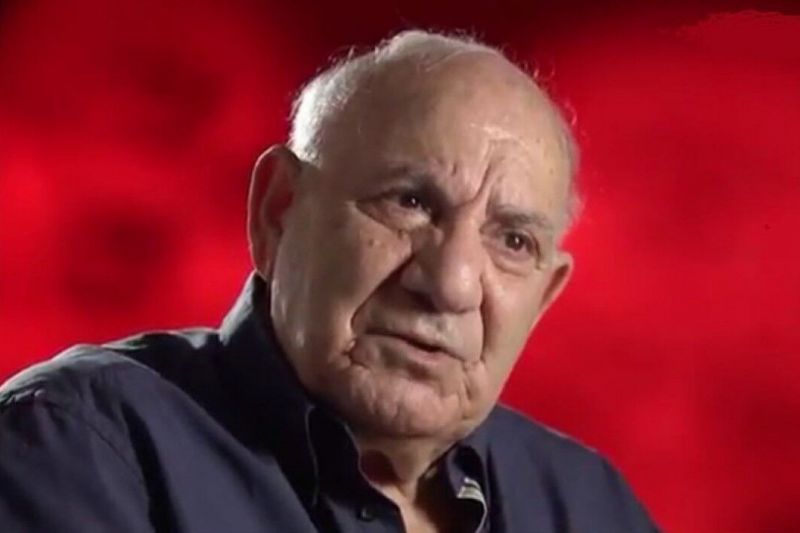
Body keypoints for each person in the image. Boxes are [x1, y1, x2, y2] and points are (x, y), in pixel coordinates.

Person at [0, 30, 659, 532]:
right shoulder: (82, 444)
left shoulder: (589, 505)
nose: (451, 284)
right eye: (409, 202)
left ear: (544, 297)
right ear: (278, 210)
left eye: (513, 241)